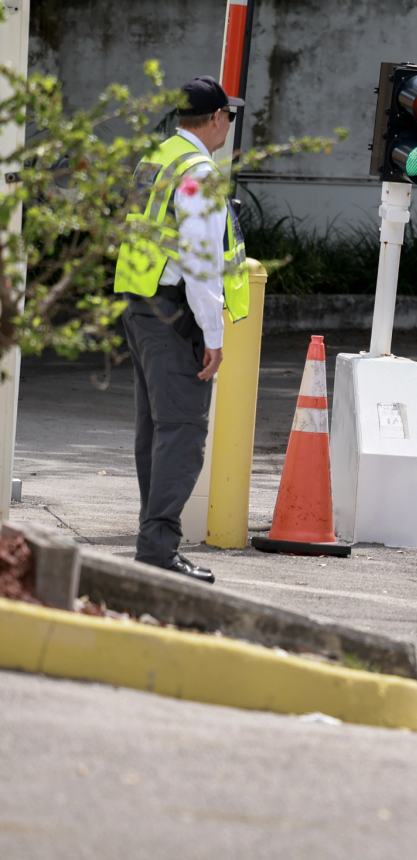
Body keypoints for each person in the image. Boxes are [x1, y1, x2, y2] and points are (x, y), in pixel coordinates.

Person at [114, 76, 249, 583]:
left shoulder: (160, 157)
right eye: (228, 118)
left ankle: (156, 543)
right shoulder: (198, 172)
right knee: (183, 431)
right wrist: (213, 335)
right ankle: (157, 548)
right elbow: (198, 260)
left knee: (157, 428)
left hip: (143, 306)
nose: (228, 126)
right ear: (216, 119)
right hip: (174, 315)